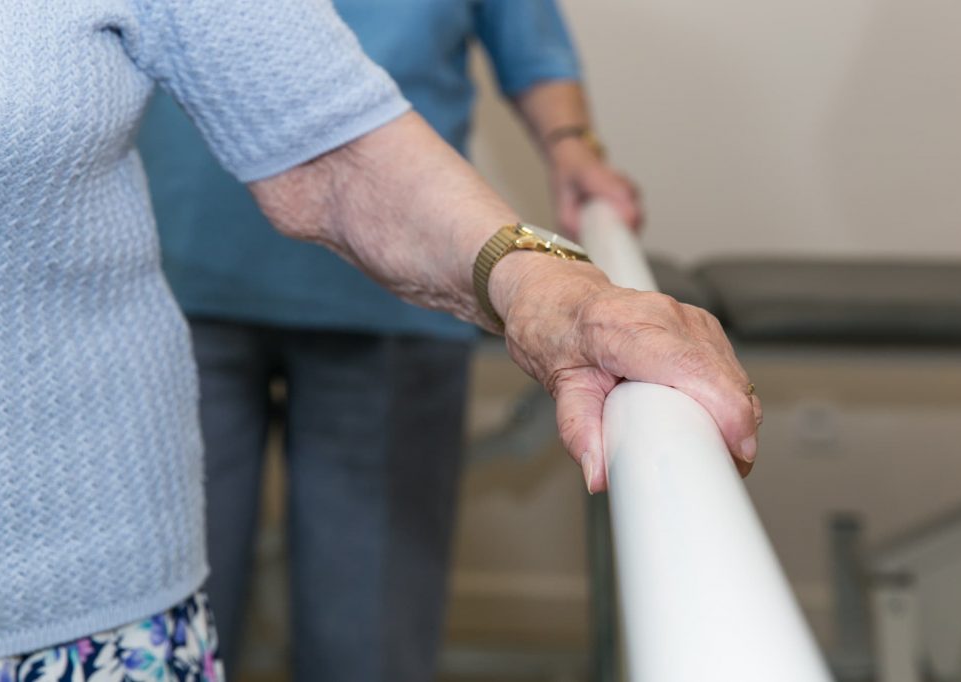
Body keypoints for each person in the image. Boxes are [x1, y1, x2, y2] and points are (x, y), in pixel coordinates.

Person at [0, 1, 761, 681]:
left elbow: (346, 153)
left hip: (366, 320)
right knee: (228, 575)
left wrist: (557, 290)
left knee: (367, 629)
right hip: (200, 280)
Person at [135, 2, 640, 680]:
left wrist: (572, 146)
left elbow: (530, 40)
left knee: (367, 638)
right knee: (165, 625)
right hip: (179, 279)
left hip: (391, 304)